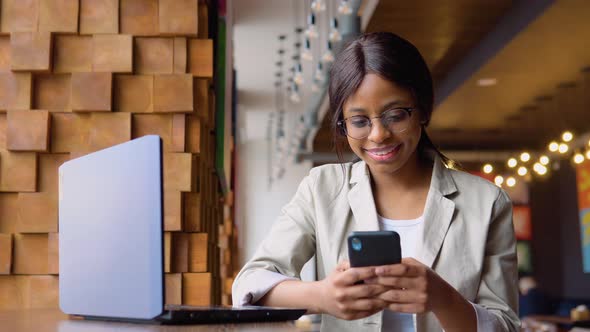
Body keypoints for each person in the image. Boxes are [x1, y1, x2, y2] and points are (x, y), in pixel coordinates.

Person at [232, 32, 520, 332]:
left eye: (395, 115)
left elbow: (506, 326)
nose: (378, 134)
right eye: (359, 121)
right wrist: (322, 296)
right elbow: (249, 285)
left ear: (422, 109)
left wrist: (442, 298)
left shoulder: (487, 202)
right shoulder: (321, 189)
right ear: (343, 125)